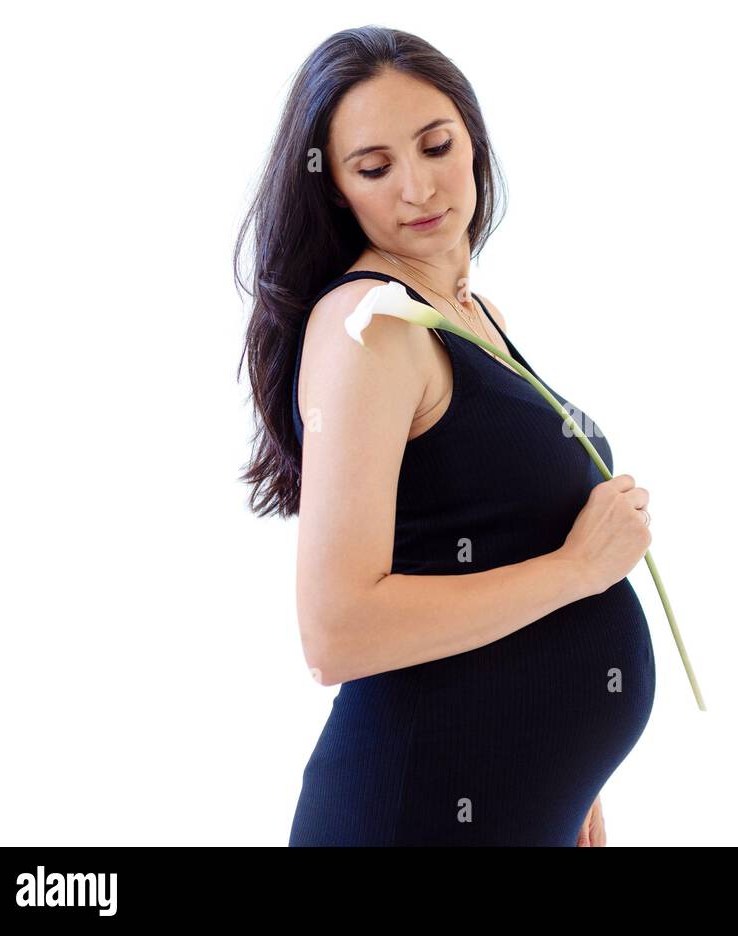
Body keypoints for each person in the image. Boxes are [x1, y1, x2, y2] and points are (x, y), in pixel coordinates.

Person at [235, 26, 656, 846]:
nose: (419, 188)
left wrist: (577, 792)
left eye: (436, 146)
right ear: (336, 191)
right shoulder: (370, 327)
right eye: (373, 167)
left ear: (473, 139)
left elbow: (496, 554)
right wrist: (579, 569)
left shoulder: (474, 313)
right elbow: (337, 631)